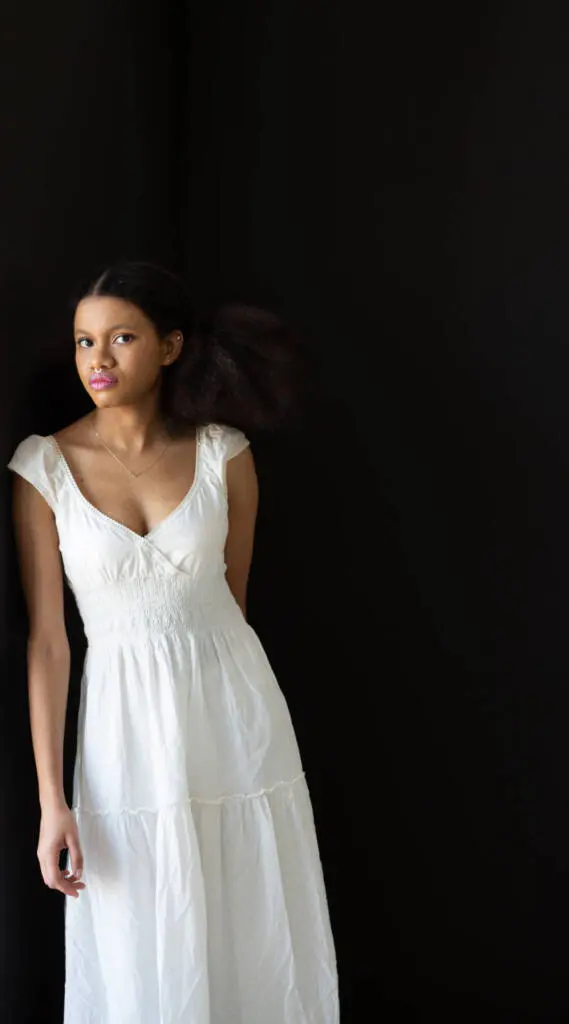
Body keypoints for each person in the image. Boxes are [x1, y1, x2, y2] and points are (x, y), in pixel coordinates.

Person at [8, 262, 339, 1024]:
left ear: (168, 347)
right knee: (140, 938)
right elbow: (49, 645)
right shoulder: (43, 468)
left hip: (233, 717)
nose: (99, 359)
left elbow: (233, 602)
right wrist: (52, 802)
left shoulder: (225, 453)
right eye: (85, 341)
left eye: (121, 338)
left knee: (246, 923)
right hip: (123, 729)